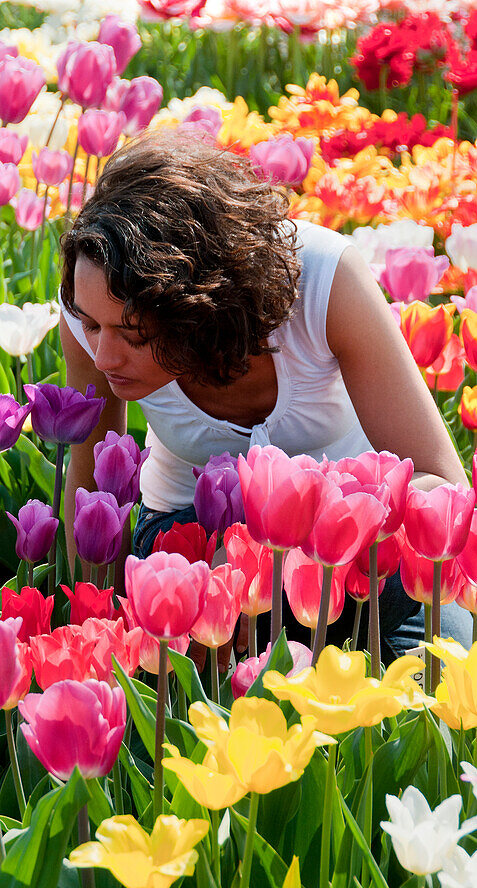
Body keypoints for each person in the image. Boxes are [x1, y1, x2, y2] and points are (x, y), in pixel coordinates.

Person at [58, 129, 471, 664]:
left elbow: (442, 486)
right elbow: (90, 489)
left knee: (442, 666)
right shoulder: (90, 303)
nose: (105, 356)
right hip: (196, 539)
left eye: (133, 334)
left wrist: (324, 525)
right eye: (92, 326)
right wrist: (100, 635)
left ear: (201, 305)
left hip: (359, 547)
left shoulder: (327, 282)